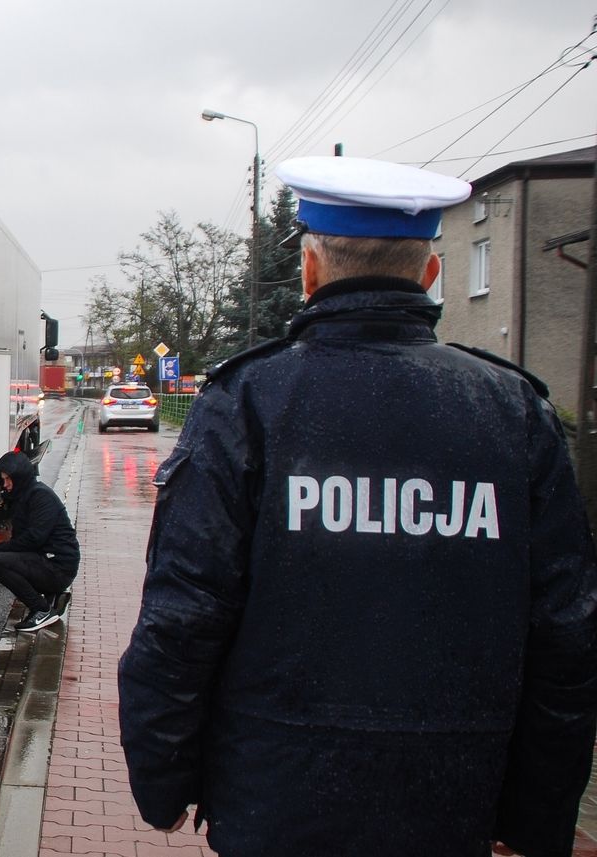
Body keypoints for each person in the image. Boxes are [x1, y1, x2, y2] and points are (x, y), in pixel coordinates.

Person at [118, 155, 597, 857]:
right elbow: (567, 635)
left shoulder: (249, 402)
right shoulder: (514, 412)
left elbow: (184, 616)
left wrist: (163, 781)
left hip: (275, 799)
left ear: (310, 271)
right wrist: (535, 817)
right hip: (453, 799)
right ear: (431, 275)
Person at [0, 450, 79, 632]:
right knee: (3, 558)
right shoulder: (24, 497)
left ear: (20, 477)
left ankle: (42, 609)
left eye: (8, 479)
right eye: (3, 480)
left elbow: (30, 541)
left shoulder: (41, 497)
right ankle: (51, 596)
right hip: (51, 562)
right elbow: (21, 544)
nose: (5, 485)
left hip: (59, 567)